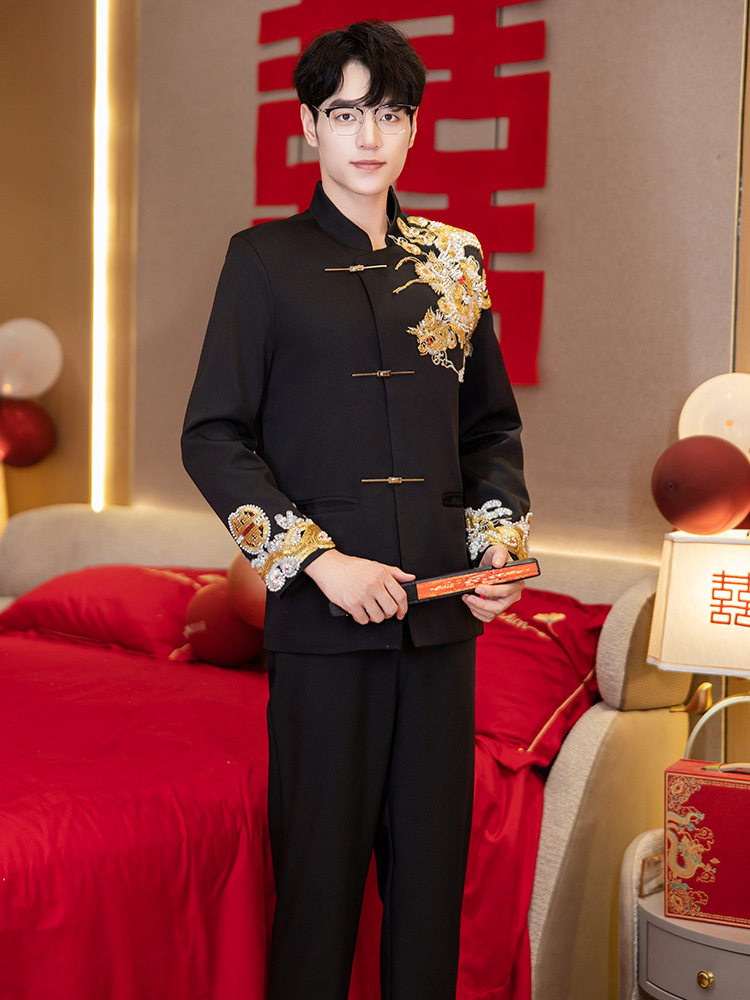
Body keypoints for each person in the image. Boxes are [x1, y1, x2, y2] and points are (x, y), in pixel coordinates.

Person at [181, 20, 531, 1000]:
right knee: (319, 897)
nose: (368, 135)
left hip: (442, 628)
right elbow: (212, 434)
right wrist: (319, 562)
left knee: (430, 896)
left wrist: (497, 549)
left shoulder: (456, 259)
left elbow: (489, 430)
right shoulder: (262, 261)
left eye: (387, 112)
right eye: (344, 114)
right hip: (323, 633)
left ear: (414, 125)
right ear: (309, 126)